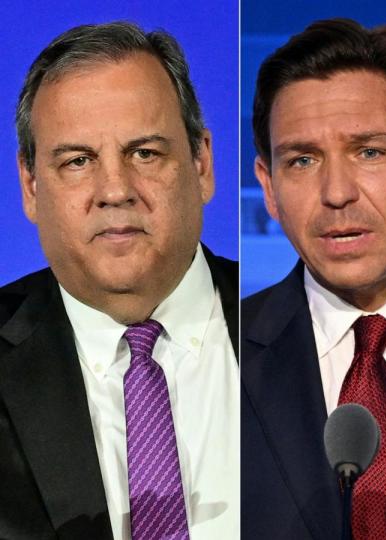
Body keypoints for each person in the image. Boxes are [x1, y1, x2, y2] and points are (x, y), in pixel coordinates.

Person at [241, 18, 386, 539]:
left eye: (369, 152)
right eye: (302, 160)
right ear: (270, 187)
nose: (336, 192)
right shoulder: (218, 355)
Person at [0, 22, 239, 540]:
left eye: (145, 153)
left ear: (202, 164)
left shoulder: (302, 325)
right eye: (78, 161)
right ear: (31, 185)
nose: (114, 190)